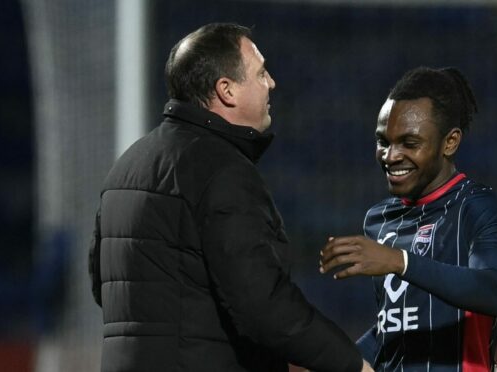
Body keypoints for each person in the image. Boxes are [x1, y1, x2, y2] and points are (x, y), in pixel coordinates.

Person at [88, 23, 372, 372]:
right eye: (261, 73)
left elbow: (107, 287)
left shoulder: (127, 166)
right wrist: (352, 365)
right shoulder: (221, 171)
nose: (272, 83)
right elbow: (264, 306)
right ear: (227, 90)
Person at [320, 66, 497, 372]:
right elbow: (395, 326)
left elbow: (493, 291)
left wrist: (401, 261)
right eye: (383, 141)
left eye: (409, 144)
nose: (390, 156)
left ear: (449, 142)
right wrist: (333, 358)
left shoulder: (479, 207)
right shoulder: (379, 219)